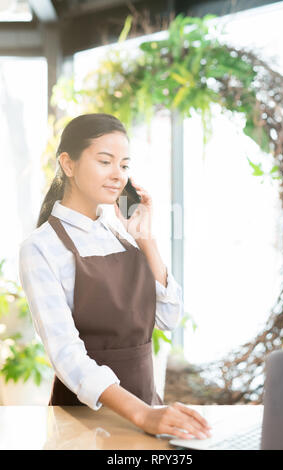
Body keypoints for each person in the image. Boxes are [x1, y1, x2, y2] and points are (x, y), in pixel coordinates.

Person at [19, 113, 211, 440]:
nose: (117, 176)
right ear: (68, 163)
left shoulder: (120, 236)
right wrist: (142, 414)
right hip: (83, 426)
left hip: (146, 411)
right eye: (105, 161)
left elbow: (169, 317)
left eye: (124, 165)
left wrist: (145, 239)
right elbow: (67, 354)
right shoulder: (40, 248)